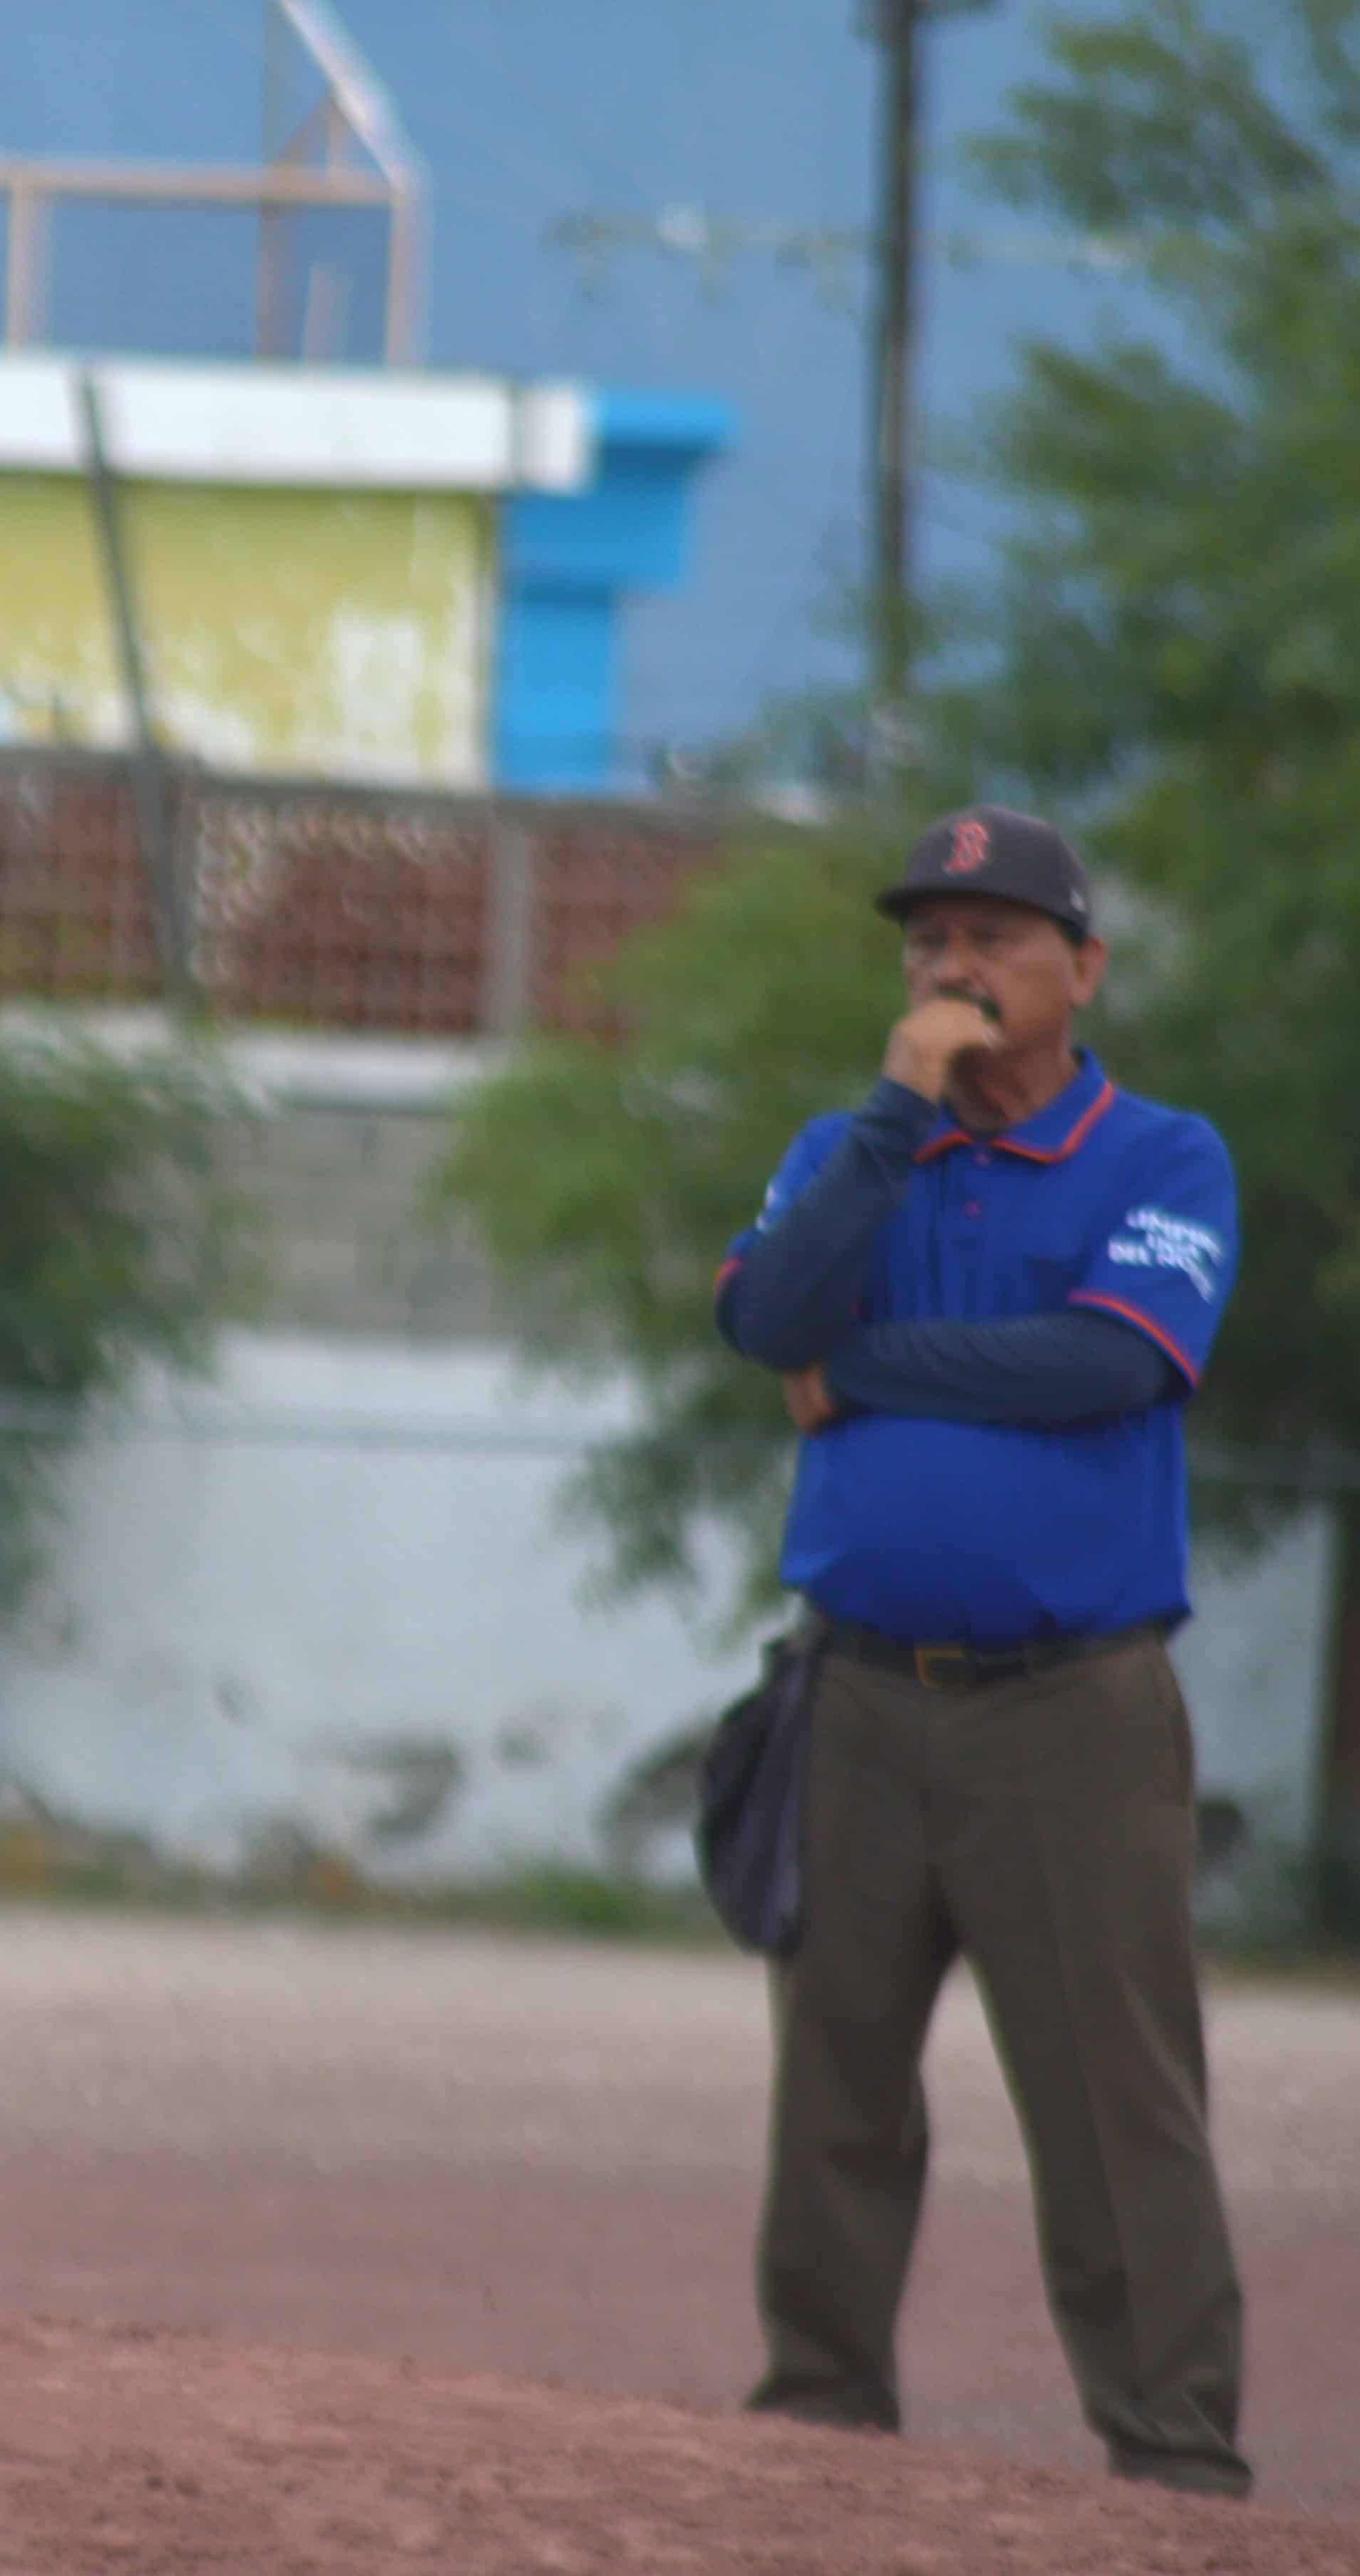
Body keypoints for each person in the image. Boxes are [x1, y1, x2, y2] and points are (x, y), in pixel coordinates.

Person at [716, 806, 1249, 2497]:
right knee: (837, 2092)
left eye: (997, 935)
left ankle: (1173, 2457)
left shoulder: (1160, 1158)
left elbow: (1110, 1363)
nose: (954, 965)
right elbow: (761, 1318)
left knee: (1114, 2100)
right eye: (928, 939)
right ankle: (819, 2419)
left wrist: (867, 1371)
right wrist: (893, 1116)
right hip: (861, 1690)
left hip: (1070, 1711)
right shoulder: (853, 1145)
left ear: (1081, 970)